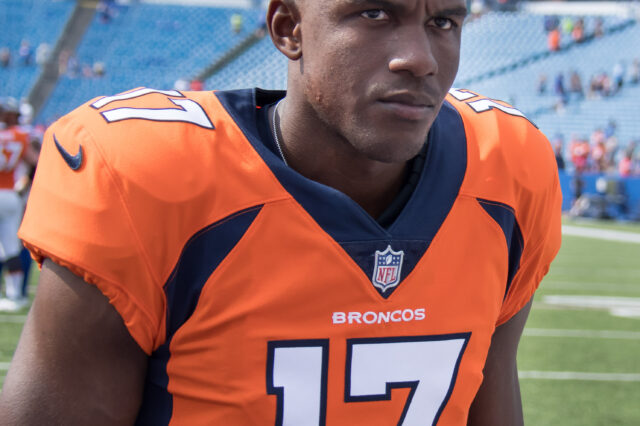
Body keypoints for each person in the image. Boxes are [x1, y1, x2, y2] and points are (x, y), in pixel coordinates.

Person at [0, 0, 562, 424]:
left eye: (443, 22)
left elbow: (491, 402)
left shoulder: (505, 170)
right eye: (372, 13)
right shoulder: (151, 175)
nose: (417, 59)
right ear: (288, 28)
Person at [0, 98, 39, 311]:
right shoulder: (21, 136)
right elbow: (36, 162)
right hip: (11, 194)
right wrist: (25, 185)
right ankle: (15, 294)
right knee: (11, 247)